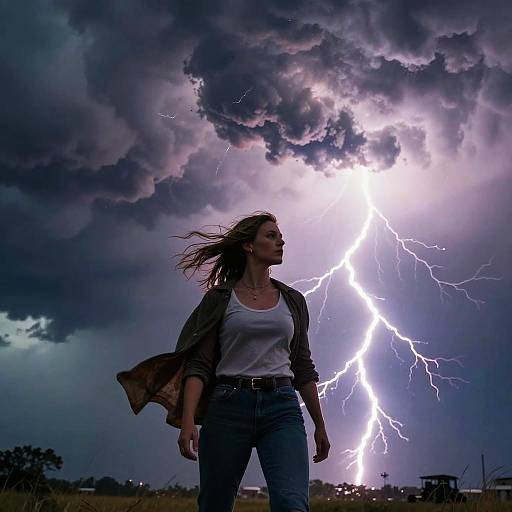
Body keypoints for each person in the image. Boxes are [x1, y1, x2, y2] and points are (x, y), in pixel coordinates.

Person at [116, 211, 330, 512]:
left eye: (280, 236)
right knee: (214, 504)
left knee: (291, 504)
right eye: (271, 235)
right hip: (228, 407)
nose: (281, 241)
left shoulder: (293, 300)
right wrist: (187, 420)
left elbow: (303, 367)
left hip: (282, 407)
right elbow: (199, 365)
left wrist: (319, 424)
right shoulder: (219, 298)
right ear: (249, 246)